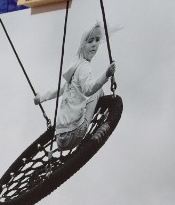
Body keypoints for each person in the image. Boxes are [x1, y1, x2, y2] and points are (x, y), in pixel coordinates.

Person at [34, 22, 116, 151]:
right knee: (97, 91)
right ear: (82, 45)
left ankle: (96, 108)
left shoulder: (74, 68)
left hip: (59, 139)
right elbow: (88, 90)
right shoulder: (84, 66)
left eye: (97, 40)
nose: (94, 44)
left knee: (82, 95)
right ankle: (102, 109)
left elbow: (58, 90)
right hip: (75, 134)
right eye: (90, 41)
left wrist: (41, 98)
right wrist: (106, 75)